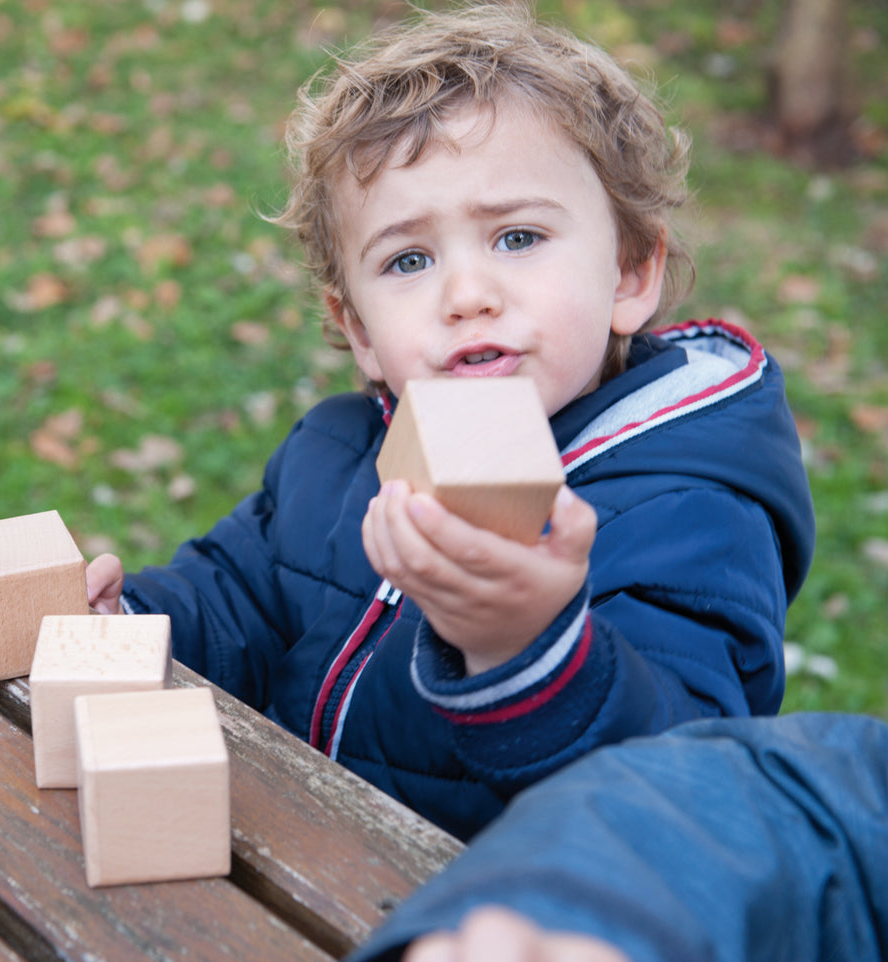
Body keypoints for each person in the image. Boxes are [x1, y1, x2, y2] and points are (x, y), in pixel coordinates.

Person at [86, 4, 815, 839]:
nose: (466, 295)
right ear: (358, 328)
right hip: (297, 878)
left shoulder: (687, 510)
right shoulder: (338, 453)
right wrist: (133, 626)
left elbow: (681, 798)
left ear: (628, 273)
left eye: (516, 237)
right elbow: (235, 602)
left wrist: (524, 648)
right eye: (408, 259)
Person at [345, 712, 888, 962]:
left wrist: (521, 652)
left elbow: (664, 719)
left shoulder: (695, 515)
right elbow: (792, 807)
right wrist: (596, 916)